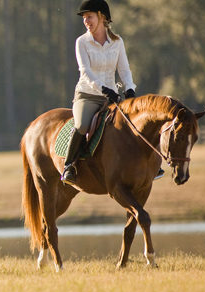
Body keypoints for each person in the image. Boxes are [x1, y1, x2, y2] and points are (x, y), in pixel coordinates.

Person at [62, 0, 137, 184]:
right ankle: (69, 166)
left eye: (89, 16)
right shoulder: (82, 42)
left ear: (102, 16)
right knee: (81, 126)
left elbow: (125, 70)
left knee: (134, 124)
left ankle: (146, 164)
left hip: (112, 96)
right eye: (84, 18)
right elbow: (85, 71)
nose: (86, 21)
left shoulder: (118, 42)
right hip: (87, 95)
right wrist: (103, 89)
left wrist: (129, 89)